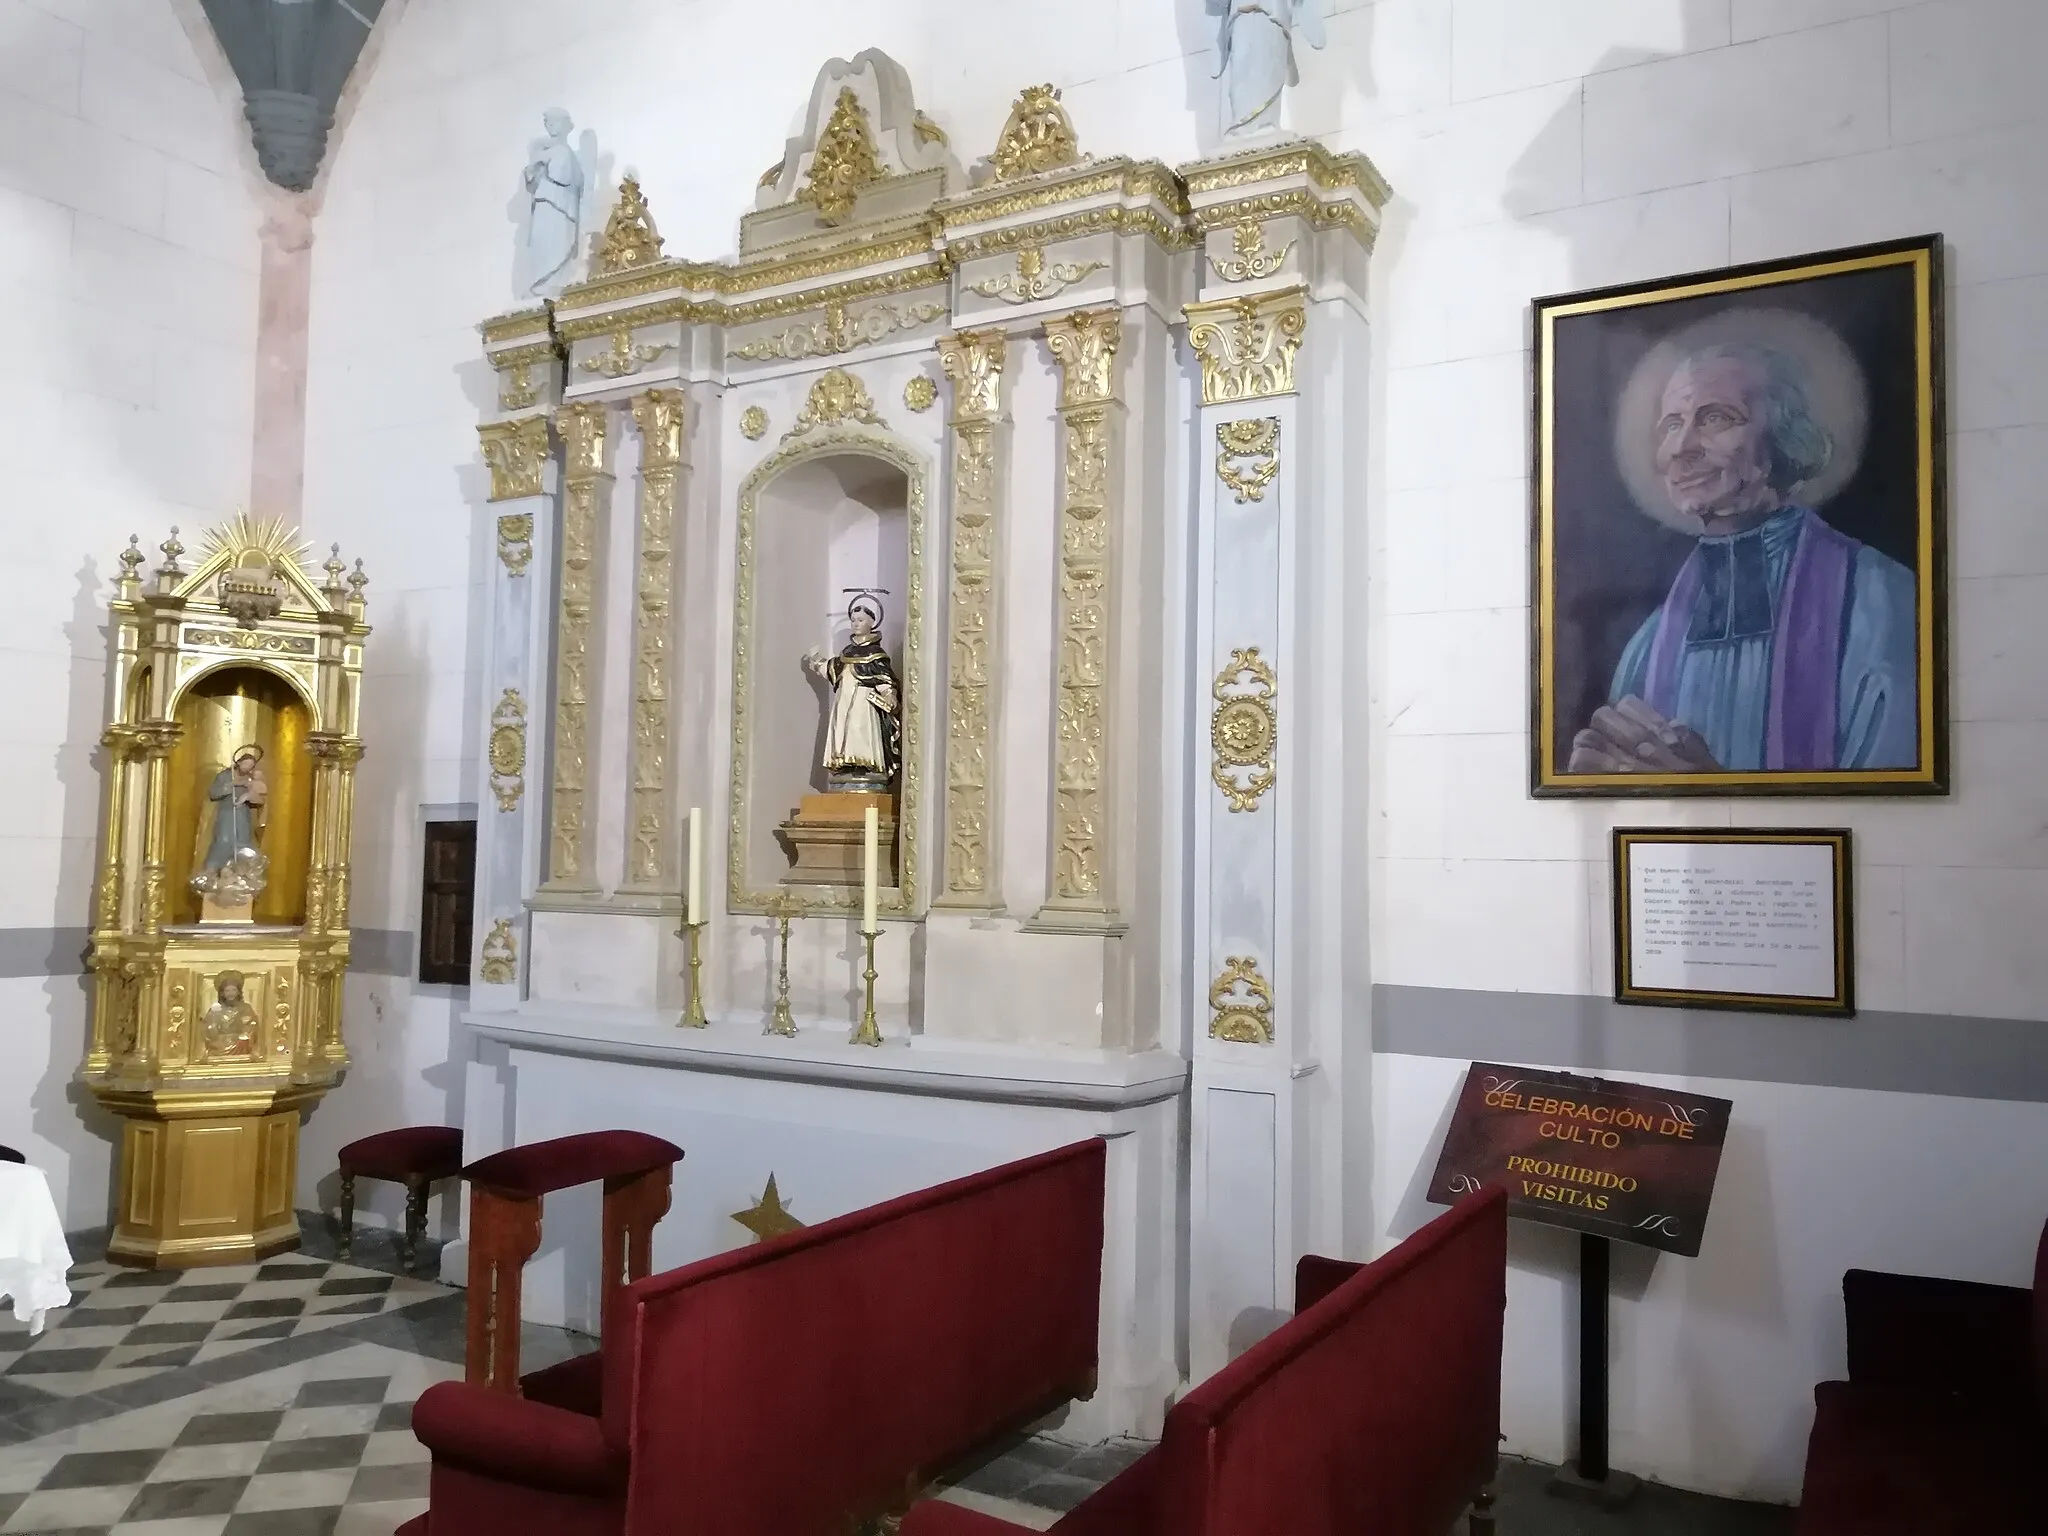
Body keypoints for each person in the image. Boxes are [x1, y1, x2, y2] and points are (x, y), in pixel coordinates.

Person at [1570, 344, 1917, 775]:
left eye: (1716, 418)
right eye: (1672, 424)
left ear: (1785, 437)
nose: (1681, 447)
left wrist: (1709, 794)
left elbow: (1896, 812)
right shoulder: (1651, 641)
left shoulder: (1883, 603)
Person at [803, 596, 901, 789]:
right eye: (854, 620)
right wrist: (816, 661)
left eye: (861, 620)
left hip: (864, 704)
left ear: (872, 623)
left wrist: (889, 694)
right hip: (844, 702)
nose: (856, 624)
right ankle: (846, 768)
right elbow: (833, 670)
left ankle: (865, 768)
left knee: (860, 733)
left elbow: (883, 678)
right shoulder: (847, 652)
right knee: (843, 734)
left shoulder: (876, 654)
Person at [1212, 0, 1326, 138]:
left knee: (1268, 66)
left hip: (1271, 14)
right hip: (1240, 13)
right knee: (1239, 68)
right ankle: (1240, 123)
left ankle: (1265, 122)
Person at [193, 745, 270, 905]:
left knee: (243, 846)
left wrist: (248, 796)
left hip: (243, 819)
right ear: (239, 762)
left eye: (251, 765)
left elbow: (260, 800)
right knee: (223, 843)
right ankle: (211, 875)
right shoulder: (225, 776)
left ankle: (242, 880)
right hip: (226, 816)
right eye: (245, 764)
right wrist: (232, 785)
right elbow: (214, 793)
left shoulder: (251, 780)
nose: (247, 767)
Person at [523, 109, 583, 295]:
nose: (550, 125)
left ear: (565, 125)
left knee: (554, 244)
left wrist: (543, 163)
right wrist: (532, 170)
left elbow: (562, 177)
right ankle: (542, 282)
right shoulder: (547, 152)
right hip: (543, 205)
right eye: (547, 122)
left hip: (558, 208)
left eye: (554, 121)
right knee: (540, 242)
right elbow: (532, 182)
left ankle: (551, 281)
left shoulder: (564, 152)